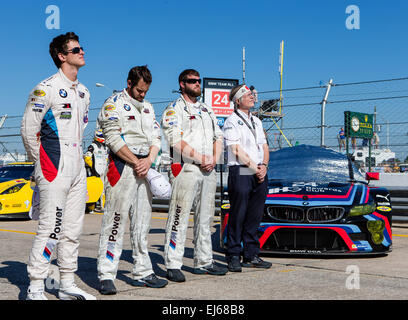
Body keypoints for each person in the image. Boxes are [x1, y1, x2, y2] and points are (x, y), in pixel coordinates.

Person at [21, 32, 95, 300]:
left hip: (77, 165)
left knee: (73, 229)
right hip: (54, 163)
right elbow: (29, 130)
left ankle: (66, 282)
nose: (82, 51)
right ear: (62, 56)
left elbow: (83, 126)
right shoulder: (46, 88)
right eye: (76, 49)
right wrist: (41, 164)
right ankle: (37, 285)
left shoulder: (85, 92)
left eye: (81, 47)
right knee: (50, 227)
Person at [97, 66, 167, 295]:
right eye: (139, 90)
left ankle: (143, 271)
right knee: (114, 222)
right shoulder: (113, 102)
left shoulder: (148, 107)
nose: (142, 95)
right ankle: (107, 274)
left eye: (146, 90)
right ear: (129, 83)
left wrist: (148, 160)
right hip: (122, 166)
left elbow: (157, 137)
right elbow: (112, 137)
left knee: (142, 223)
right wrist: (136, 161)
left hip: (145, 166)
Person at [161, 69, 227, 282]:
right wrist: (200, 158)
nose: (197, 84)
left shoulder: (207, 109)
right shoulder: (174, 109)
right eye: (192, 81)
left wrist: (214, 158)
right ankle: (172, 263)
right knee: (179, 216)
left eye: (199, 81)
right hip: (186, 168)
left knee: (206, 218)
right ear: (182, 84)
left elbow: (219, 136)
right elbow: (174, 141)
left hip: (209, 169)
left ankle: (204, 261)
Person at [222, 84, 271, 272]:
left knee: (255, 214)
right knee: (238, 213)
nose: (252, 97)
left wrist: (264, 166)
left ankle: (251, 254)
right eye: (247, 95)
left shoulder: (257, 121)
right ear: (237, 100)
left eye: (252, 94)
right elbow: (235, 149)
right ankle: (233, 254)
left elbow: (264, 147)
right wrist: (254, 168)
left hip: (259, 169)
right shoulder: (231, 121)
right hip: (242, 170)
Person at [84, 128, 109, 210]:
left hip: (105, 170)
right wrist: (93, 167)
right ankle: (101, 206)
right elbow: (87, 157)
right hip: (97, 171)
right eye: (101, 136)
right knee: (100, 190)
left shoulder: (105, 147)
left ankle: (105, 205)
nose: (103, 137)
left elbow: (107, 158)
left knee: (106, 189)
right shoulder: (92, 146)